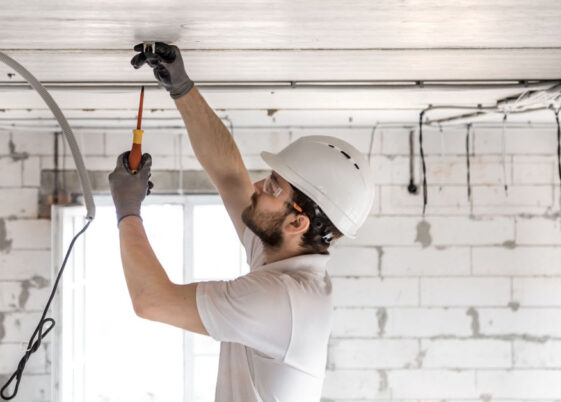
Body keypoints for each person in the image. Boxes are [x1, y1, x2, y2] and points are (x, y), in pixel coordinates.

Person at [108, 42, 375, 402]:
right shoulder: (282, 258)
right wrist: (182, 88)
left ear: (297, 223)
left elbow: (152, 301)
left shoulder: (281, 299)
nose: (259, 186)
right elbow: (230, 176)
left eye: (275, 187)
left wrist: (127, 208)